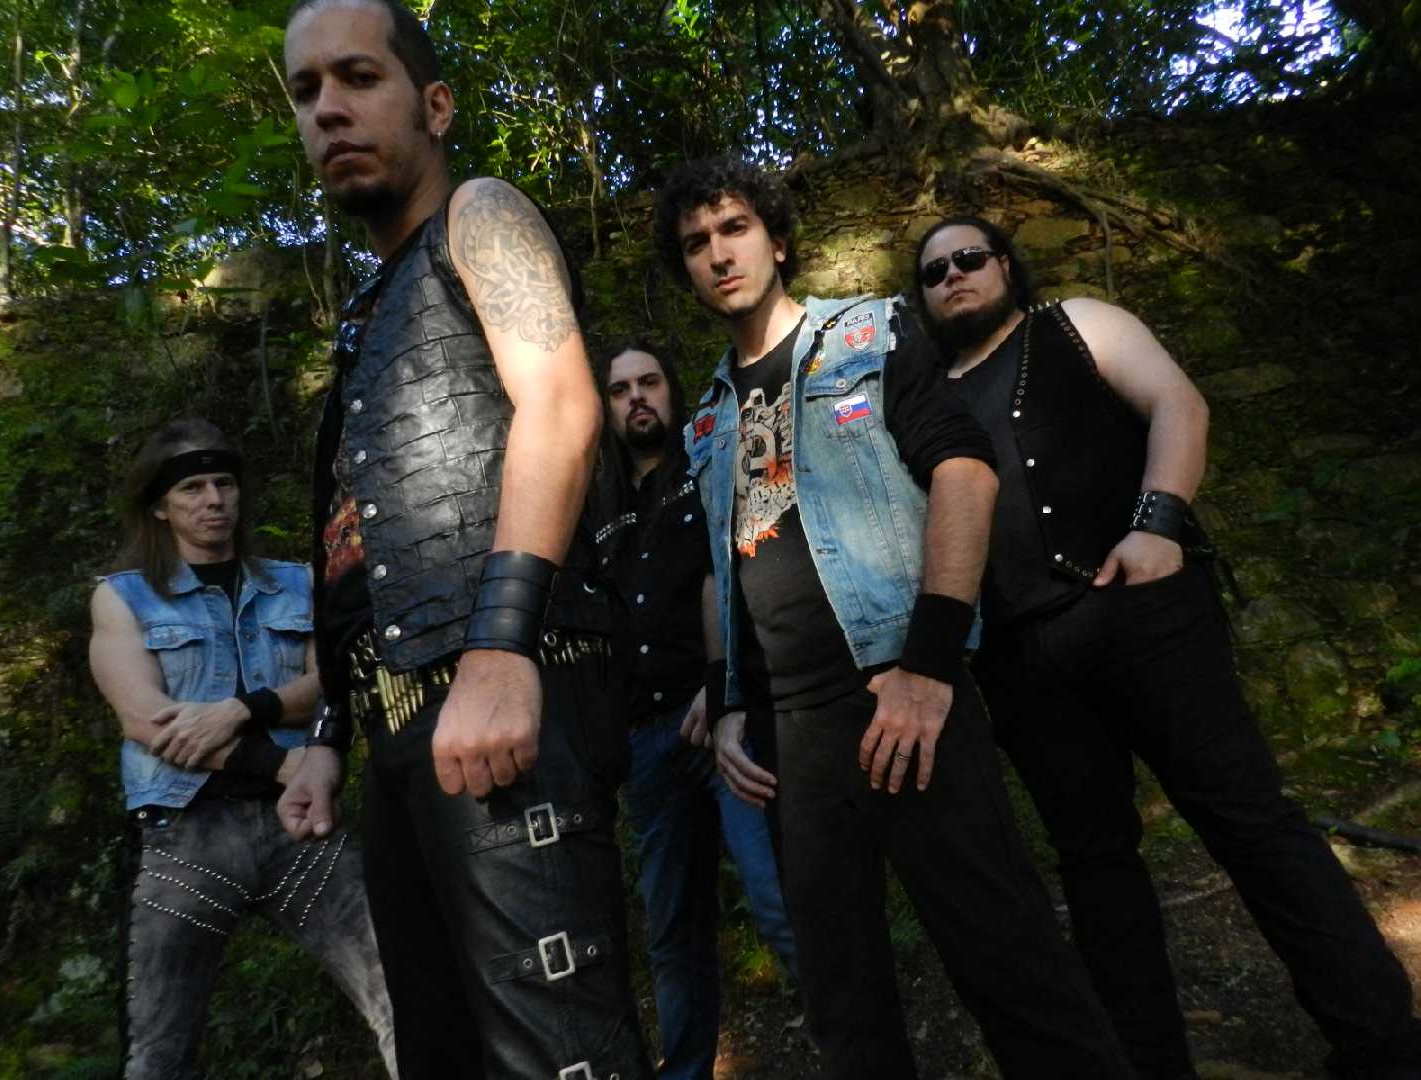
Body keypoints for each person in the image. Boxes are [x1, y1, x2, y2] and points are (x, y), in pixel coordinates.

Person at [655, 155, 1132, 1079]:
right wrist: (730, 702)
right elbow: (722, 567)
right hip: (789, 740)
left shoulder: (869, 332)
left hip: (896, 693)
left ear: (777, 239)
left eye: (735, 228)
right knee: (843, 1008)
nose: (718, 253)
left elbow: (964, 471)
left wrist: (929, 664)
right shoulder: (706, 417)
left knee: (1013, 967)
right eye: (696, 242)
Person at [913, 215, 1421, 1080]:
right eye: (933, 272)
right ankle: (1148, 1065)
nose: (953, 276)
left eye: (968, 258)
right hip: (1024, 666)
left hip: (1143, 613)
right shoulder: (924, 398)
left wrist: (1157, 525)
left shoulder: (1077, 322)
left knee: (1250, 820)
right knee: (1095, 865)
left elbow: (1178, 403)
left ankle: (1382, 1041)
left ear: (1004, 263)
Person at [275, 1, 652, 1077]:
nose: (328, 108)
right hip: (404, 726)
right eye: (306, 91)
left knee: (556, 1053)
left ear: (435, 105)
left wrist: (499, 647)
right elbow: (359, 541)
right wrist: (330, 732)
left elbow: (562, 408)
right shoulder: (369, 307)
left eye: (358, 77)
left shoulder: (479, 214)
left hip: (502, 686)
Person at [88, 418, 396, 1080]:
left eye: (224, 483)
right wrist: (281, 761)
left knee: (403, 997)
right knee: (157, 1053)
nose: (213, 500)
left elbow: (331, 681)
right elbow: (146, 719)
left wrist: (242, 709)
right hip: (186, 833)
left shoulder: (296, 583)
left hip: (299, 830)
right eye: (193, 487)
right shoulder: (123, 598)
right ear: (160, 506)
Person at [593, 340, 799, 1079]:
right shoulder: (600, 506)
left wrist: (723, 683)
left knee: (777, 901)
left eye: (648, 382)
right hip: (646, 743)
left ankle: (855, 1045)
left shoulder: (708, 464)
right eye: (620, 390)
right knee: (672, 935)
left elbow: (743, 568)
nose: (636, 398)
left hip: (727, 722)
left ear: (670, 389)